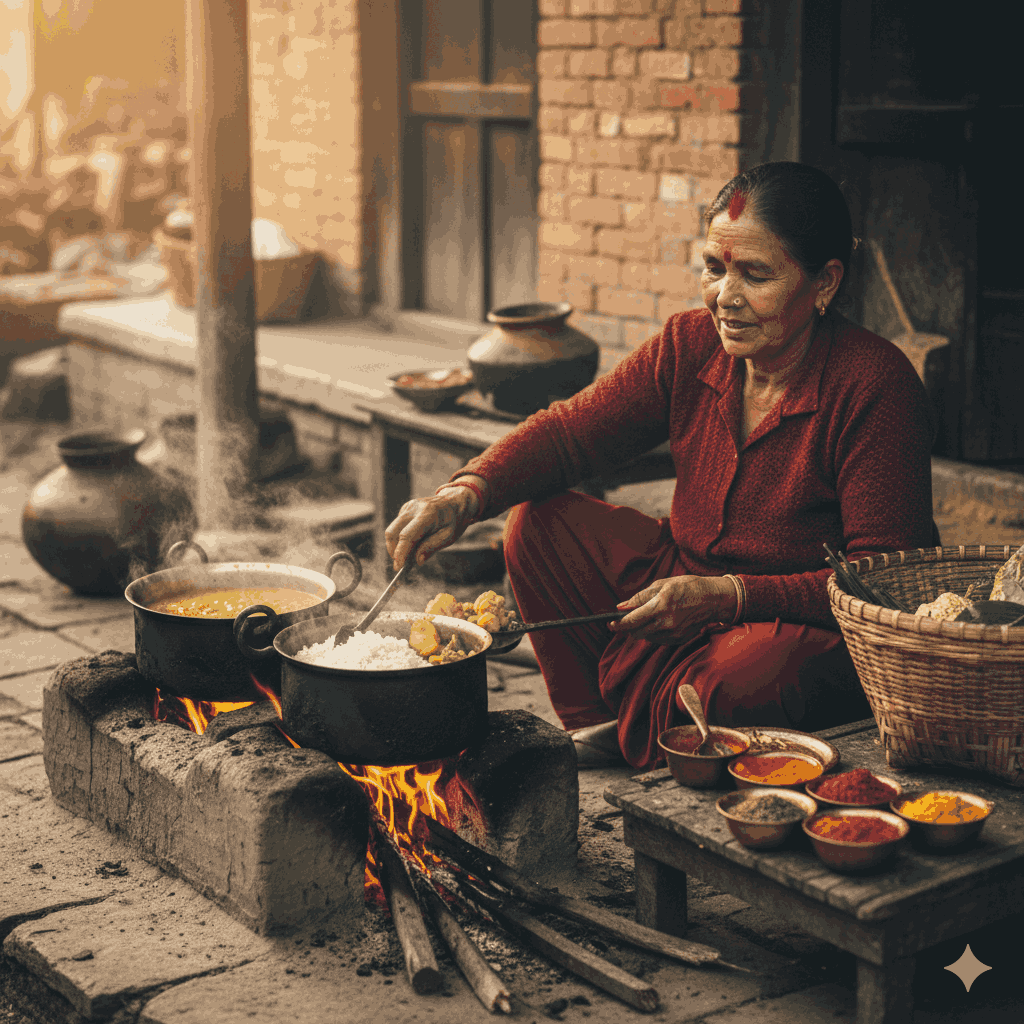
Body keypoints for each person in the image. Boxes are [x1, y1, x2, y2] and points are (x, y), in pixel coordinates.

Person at [385, 162, 935, 770]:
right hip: (685, 581)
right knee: (536, 523)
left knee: (737, 677)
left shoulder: (874, 385)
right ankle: (604, 723)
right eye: (715, 268)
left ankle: (670, 731)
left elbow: (884, 580)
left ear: (825, 282)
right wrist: (465, 493)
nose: (725, 297)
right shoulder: (689, 343)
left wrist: (730, 597)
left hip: (794, 625)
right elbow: (572, 433)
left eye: (756, 274)